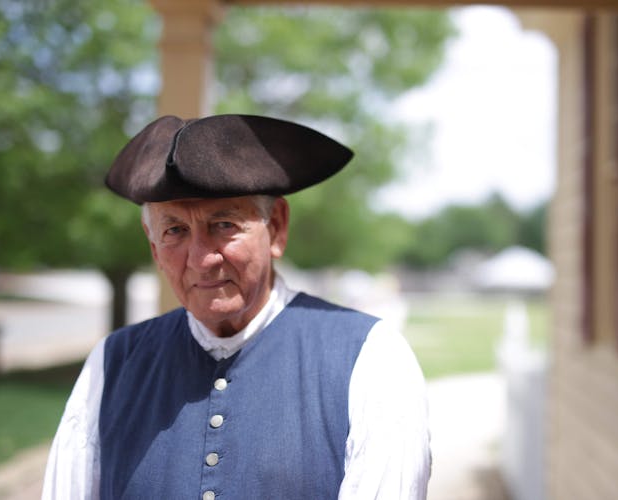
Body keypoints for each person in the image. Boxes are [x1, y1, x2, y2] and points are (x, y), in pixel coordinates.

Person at [42, 114, 431, 499]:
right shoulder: (112, 364)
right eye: (175, 230)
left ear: (275, 227)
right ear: (153, 246)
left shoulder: (371, 357)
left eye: (224, 224)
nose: (200, 258)